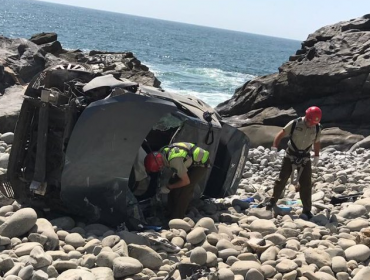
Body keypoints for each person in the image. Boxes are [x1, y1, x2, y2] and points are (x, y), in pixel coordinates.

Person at [267, 106, 322, 219]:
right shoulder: (295, 123)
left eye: (313, 123)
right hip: (290, 155)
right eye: (310, 122)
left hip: (305, 158)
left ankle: (307, 210)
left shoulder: (317, 128)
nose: (311, 125)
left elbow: (317, 142)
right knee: (281, 180)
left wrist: (316, 155)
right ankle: (272, 202)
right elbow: (281, 134)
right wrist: (274, 148)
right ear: (307, 117)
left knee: (306, 184)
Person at [144, 142, 210, 219]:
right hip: (188, 160)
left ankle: (177, 218)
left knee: (185, 189)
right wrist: (171, 185)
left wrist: (169, 187)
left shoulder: (174, 161)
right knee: (173, 182)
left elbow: (186, 181)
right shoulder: (162, 152)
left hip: (200, 164)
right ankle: (170, 212)